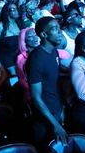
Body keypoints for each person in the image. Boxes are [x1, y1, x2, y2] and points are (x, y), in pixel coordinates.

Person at [27, 16, 68, 144]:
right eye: (55, 29)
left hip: (57, 109)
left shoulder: (54, 51)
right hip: (45, 118)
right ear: (44, 34)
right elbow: (36, 97)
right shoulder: (36, 59)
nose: (60, 32)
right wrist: (55, 124)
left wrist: (61, 108)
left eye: (59, 28)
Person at [15, 27, 39, 101]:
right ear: (24, 41)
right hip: (33, 94)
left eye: (35, 35)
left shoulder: (41, 51)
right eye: (30, 36)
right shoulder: (21, 58)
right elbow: (22, 80)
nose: (35, 38)